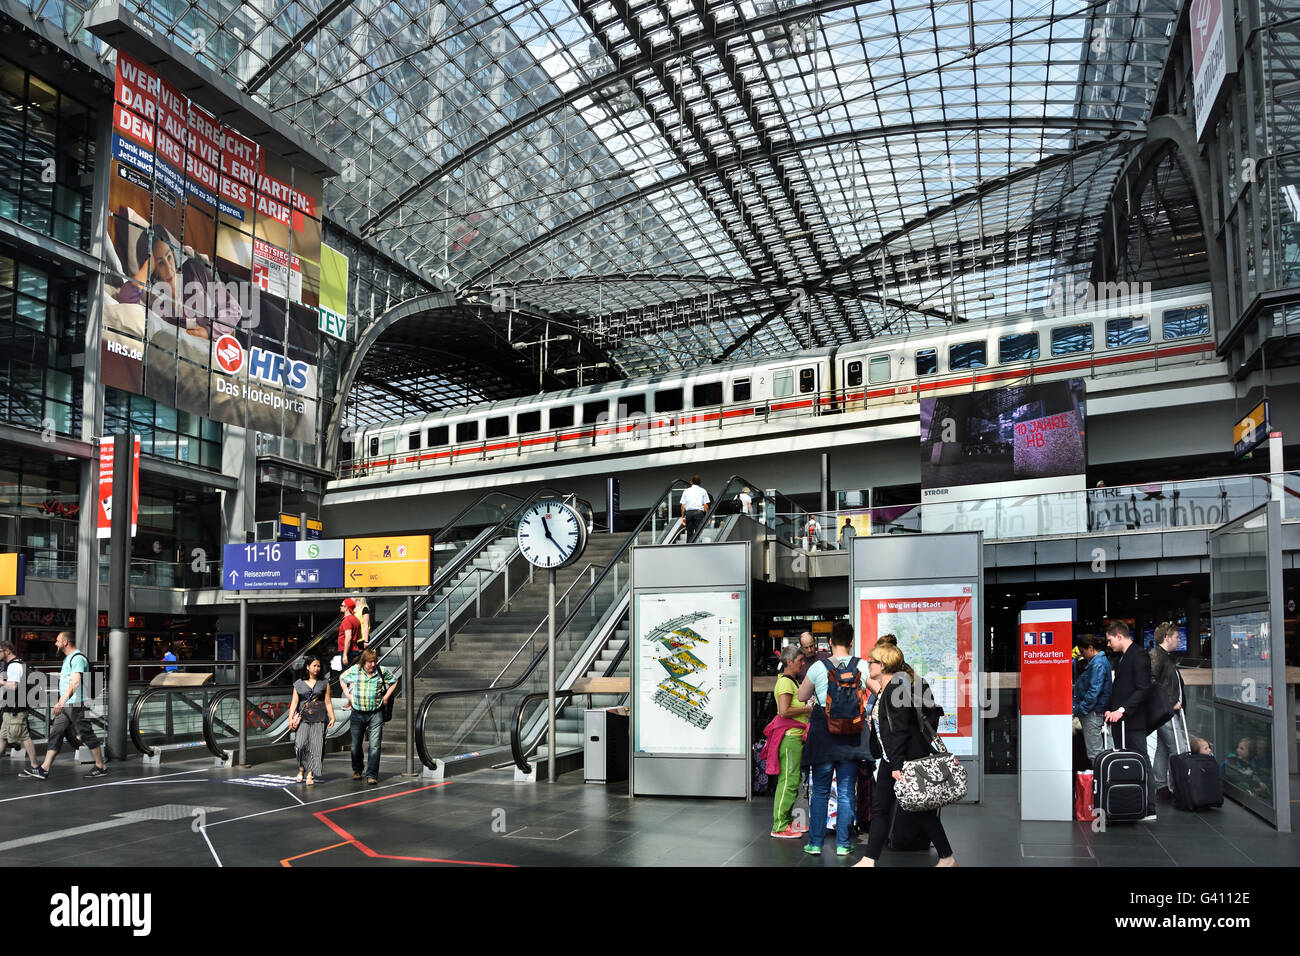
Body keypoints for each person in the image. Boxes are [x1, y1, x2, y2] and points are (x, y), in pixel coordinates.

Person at [855, 642, 958, 867]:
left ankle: (947, 857)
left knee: (921, 811)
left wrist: (896, 766)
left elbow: (900, 730)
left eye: (872, 661)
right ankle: (869, 858)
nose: (869, 665)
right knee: (883, 809)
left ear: (882, 665)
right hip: (892, 759)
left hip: (902, 761)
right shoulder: (888, 688)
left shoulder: (895, 689)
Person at [796, 621, 872, 857]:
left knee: (819, 790)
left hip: (823, 735)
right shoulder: (862, 665)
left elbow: (801, 695)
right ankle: (843, 843)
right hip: (851, 735)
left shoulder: (818, 667)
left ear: (829, 642)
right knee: (847, 790)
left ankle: (816, 842)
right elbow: (878, 689)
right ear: (851, 642)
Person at [23, 631, 108, 780]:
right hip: (67, 704)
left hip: (76, 704)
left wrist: (60, 702)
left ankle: (101, 766)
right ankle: (44, 768)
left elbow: (75, 682)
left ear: (65, 642)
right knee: (56, 733)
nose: (55, 643)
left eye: (57, 641)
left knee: (86, 733)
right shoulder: (68, 658)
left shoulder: (77, 658)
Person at [1103, 620, 1156, 820]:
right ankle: (1132, 802)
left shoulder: (1139, 655)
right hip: (1121, 722)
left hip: (1132, 722)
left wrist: (1122, 710)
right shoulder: (1123, 658)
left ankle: (1149, 807)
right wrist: (1111, 710)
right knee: (1129, 762)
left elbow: (1143, 688)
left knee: (1141, 761)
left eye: (1109, 640)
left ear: (1119, 636)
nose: (1108, 645)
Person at [766, 645, 812, 838]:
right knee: (788, 781)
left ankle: (784, 822)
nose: (803, 663)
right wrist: (806, 709)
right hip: (790, 738)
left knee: (790, 780)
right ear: (789, 662)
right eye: (800, 660)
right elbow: (784, 711)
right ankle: (779, 826)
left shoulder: (790, 682)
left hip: (793, 738)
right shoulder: (786, 683)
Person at [340, 648, 397, 785]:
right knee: (355, 746)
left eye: (374, 662)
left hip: (375, 713)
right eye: (370, 662)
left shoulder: (381, 671)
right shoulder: (355, 670)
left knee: (375, 746)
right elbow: (342, 678)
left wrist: (386, 697)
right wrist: (348, 694)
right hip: (357, 713)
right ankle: (358, 770)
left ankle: (372, 774)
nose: (373, 665)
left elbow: (394, 681)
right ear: (363, 662)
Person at [1149, 622, 1184, 801]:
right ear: (1167, 638)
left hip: (1165, 710)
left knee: (1163, 749)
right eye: (1177, 637)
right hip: (1166, 711)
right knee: (1179, 749)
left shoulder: (1165, 656)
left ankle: (1161, 785)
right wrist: (1169, 704)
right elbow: (1151, 682)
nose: (1180, 640)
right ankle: (1180, 788)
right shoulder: (1157, 655)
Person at [290, 655, 335, 785]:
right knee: (300, 745)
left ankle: (310, 773)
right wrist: (290, 719)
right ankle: (301, 768)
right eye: (314, 666)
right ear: (308, 667)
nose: (317, 668)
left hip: (319, 718)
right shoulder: (298, 684)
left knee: (315, 747)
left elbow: (328, 702)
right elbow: (294, 703)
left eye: (319, 666)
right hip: (303, 718)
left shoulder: (324, 683)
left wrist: (332, 716)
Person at [0, 642, 40, 774]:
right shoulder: (13, 664)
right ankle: (35, 767)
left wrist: (1, 682)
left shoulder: (14, 665)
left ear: (7, 651)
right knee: (3, 738)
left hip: (15, 708)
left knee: (24, 736)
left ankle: (35, 767)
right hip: (11, 707)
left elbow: (14, 686)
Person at [1073, 635, 1112, 762]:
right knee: (1098, 752)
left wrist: (1081, 709)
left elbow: (1094, 690)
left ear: (1090, 648)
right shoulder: (1098, 662)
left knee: (1094, 754)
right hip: (1094, 711)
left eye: (1083, 652)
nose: (1083, 656)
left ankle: (1099, 780)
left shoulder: (1097, 664)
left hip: (1092, 712)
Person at [680, 476, 710, 541]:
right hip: (699, 513)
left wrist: (683, 516)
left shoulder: (686, 491)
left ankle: (689, 548)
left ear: (691, 482)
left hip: (689, 513)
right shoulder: (703, 491)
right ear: (700, 483)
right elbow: (705, 505)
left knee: (689, 533)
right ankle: (698, 548)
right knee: (698, 532)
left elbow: (682, 505)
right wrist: (708, 516)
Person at [337, 598, 363, 671]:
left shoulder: (347, 620)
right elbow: (360, 636)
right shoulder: (356, 620)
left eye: (342, 605)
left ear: (347, 607)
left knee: (346, 675)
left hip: (348, 651)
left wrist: (345, 655)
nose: (340, 607)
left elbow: (348, 637)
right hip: (354, 650)